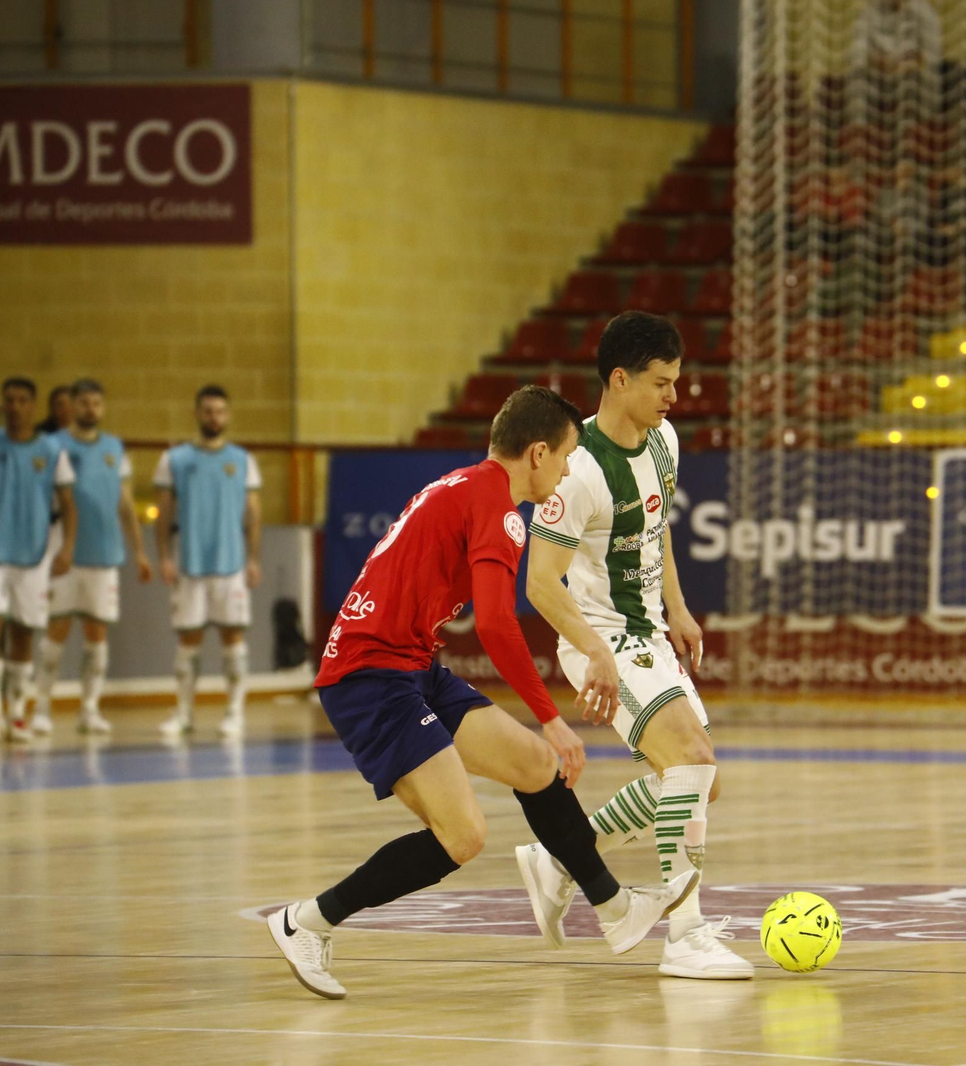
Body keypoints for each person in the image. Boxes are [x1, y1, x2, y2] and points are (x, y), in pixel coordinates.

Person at [267, 385, 697, 999]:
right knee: (464, 836)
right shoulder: (498, 508)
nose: (572, 469)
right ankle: (306, 921)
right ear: (539, 453)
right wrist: (551, 715)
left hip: (409, 665)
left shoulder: (466, 485)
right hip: (371, 677)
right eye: (569, 456)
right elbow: (496, 624)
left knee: (535, 766)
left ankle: (613, 907)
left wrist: (543, 733)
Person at [521, 311, 753, 980]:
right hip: (599, 636)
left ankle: (563, 858)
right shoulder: (578, 469)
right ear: (618, 380)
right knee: (693, 759)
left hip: (646, 631)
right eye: (661, 383)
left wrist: (677, 606)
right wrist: (593, 649)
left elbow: (657, 532)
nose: (674, 397)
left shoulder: (663, 441)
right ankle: (685, 935)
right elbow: (540, 584)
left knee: (697, 784)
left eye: (677, 382)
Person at [0, 377, 77, 742]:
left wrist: (68, 547)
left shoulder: (52, 450)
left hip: (35, 556)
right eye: (8, 400)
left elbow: (69, 506)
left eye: (23, 400)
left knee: (24, 634)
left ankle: (18, 713)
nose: (15, 406)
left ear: (33, 404)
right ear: (2, 403)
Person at [32, 379, 153, 736]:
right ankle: (40, 708)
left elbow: (126, 504)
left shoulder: (115, 448)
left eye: (97, 403)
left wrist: (140, 551)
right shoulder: (53, 446)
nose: (91, 409)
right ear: (71, 405)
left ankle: (89, 709)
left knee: (96, 634)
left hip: (105, 555)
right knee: (56, 631)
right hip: (63, 555)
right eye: (84, 403)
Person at [153, 384, 261, 739]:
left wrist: (253, 559)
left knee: (234, 641)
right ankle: (183, 713)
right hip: (190, 564)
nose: (214, 417)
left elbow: (253, 514)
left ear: (227, 416)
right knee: (188, 641)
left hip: (231, 565)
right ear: (197, 414)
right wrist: (165, 556)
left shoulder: (242, 460)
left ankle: (235, 713)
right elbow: (164, 511)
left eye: (220, 411)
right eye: (208, 411)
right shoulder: (175, 460)